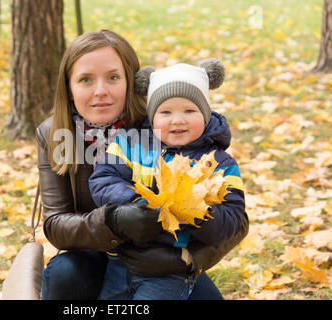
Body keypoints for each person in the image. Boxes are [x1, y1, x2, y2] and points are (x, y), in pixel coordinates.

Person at [36, 29, 249, 300]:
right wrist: (111, 220)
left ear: (131, 81)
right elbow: (56, 223)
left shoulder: (163, 124)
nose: (100, 92)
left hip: (160, 255)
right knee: (63, 273)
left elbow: (236, 220)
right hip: (92, 252)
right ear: (69, 86)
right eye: (85, 80)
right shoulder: (55, 133)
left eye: (113, 77)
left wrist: (186, 259)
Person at [89, 60, 247, 300]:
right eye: (165, 112)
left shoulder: (219, 164)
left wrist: (194, 209)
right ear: (152, 117)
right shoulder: (131, 145)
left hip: (170, 269)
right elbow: (104, 179)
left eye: (189, 111)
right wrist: (135, 201)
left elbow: (232, 219)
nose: (178, 120)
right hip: (121, 261)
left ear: (205, 114)